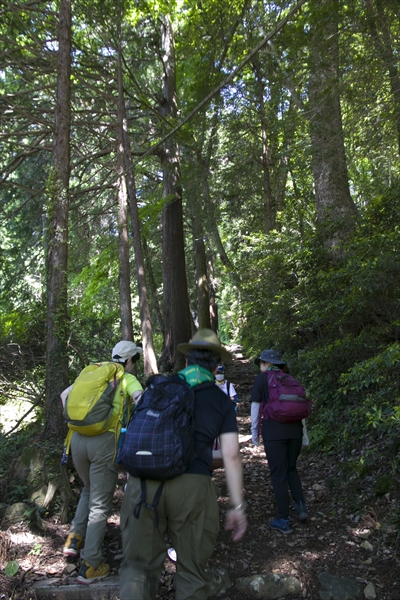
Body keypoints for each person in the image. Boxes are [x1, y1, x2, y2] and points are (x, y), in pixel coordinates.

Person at [119, 328, 247, 600]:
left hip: (143, 486)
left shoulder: (157, 388)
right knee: (191, 571)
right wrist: (236, 505)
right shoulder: (220, 401)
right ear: (216, 365)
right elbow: (232, 456)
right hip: (192, 488)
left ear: (187, 361)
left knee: (138, 569)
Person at [62, 341, 144, 584]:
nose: (135, 365)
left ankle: (74, 540)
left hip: (76, 440)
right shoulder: (127, 378)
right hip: (103, 443)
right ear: (129, 361)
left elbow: (64, 395)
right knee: (100, 505)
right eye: (135, 361)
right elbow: (141, 400)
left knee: (88, 490)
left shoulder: (93, 372)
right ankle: (90, 565)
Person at [250, 349, 309, 535]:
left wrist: (254, 434)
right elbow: (300, 409)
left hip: (274, 432)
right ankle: (301, 508)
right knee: (291, 468)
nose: (260, 367)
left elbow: (255, 407)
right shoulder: (290, 378)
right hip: (295, 432)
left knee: (278, 474)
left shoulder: (262, 379)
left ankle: (283, 519)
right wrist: (305, 435)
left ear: (265, 363)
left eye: (260, 363)